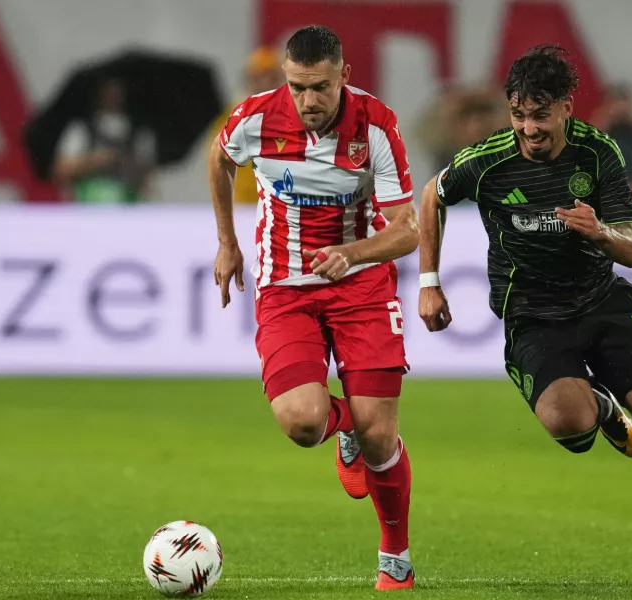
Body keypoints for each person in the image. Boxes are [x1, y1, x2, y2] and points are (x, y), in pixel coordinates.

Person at [416, 45, 632, 586]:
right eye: (519, 115)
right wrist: (429, 283)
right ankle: (601, 406)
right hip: (533, 315)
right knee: (570, 426)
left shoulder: (598, 153)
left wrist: (599, 231)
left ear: (566, 108)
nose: (529, 128)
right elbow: (430, 197)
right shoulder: (485, 161)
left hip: (600, 298)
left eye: (540, 114)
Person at [208, 26, 417, 590]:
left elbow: (408, 230)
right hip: (285, 289)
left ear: (343, 76)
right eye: (297, 87)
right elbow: (221, 159)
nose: (308, 101)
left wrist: (352, 254)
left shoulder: (376, 125)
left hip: (362, 287)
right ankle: (344, 425)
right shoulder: (254, 118)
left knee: (381, 437)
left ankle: (394, 556)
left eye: (319, 87)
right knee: (303, 422)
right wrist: (227, 241)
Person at [54, 77, 156, 203]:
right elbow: (61, 169)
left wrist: (130, 166)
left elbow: (147, 180)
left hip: (126, 207)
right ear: (100, 92)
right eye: (109, 90)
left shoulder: (140, 133)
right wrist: (93, 161)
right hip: (89, 208)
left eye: (118, 91)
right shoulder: (81, 129)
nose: (113, 95)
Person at [208, 46, 285, 204]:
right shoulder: (232, 117)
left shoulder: (294, 117)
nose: (263, 83)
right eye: (256, 77)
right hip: (244, 207)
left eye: (268, 77)